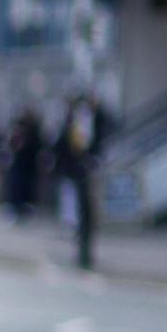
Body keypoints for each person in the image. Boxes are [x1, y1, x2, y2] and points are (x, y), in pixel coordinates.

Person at [52, 93, 103, 269]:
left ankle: (84, 254)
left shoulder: (82, 124)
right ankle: (83, 253)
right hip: (76, 175)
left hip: (80, 175)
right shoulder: (76, 125)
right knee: (78, 213)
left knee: (83, 214)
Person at [3, 103, 46, 223]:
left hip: (29, 164)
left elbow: (39, 145)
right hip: (18, 164)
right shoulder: (16, 126)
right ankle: (15, 207)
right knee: (16, 185)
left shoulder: (34, 129)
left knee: (28, 186)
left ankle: (27, 207)